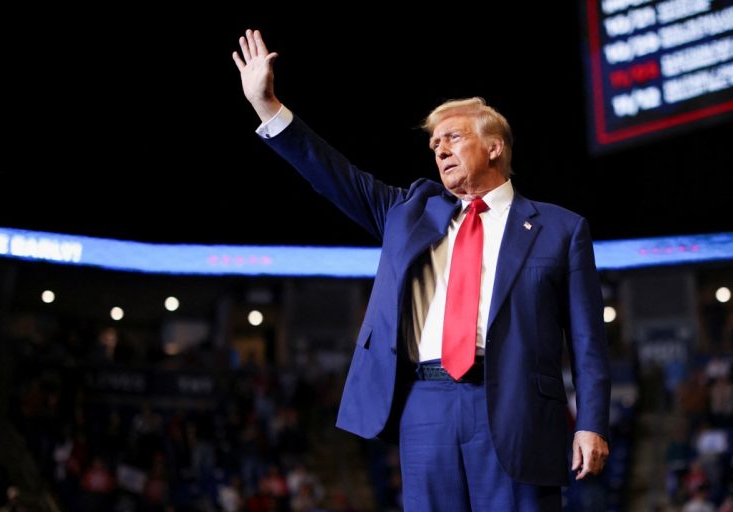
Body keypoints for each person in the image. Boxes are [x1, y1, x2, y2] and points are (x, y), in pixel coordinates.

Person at [233, 29, 611, 511]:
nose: (440, 150)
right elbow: (333, 175)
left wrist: (591, 422)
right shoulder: (408, 212)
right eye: (434, 144)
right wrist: (267, 105)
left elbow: (587, 340)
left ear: (494, 147)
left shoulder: (561, 229)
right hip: (424, 404)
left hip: (517, 407)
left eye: (453, 137)